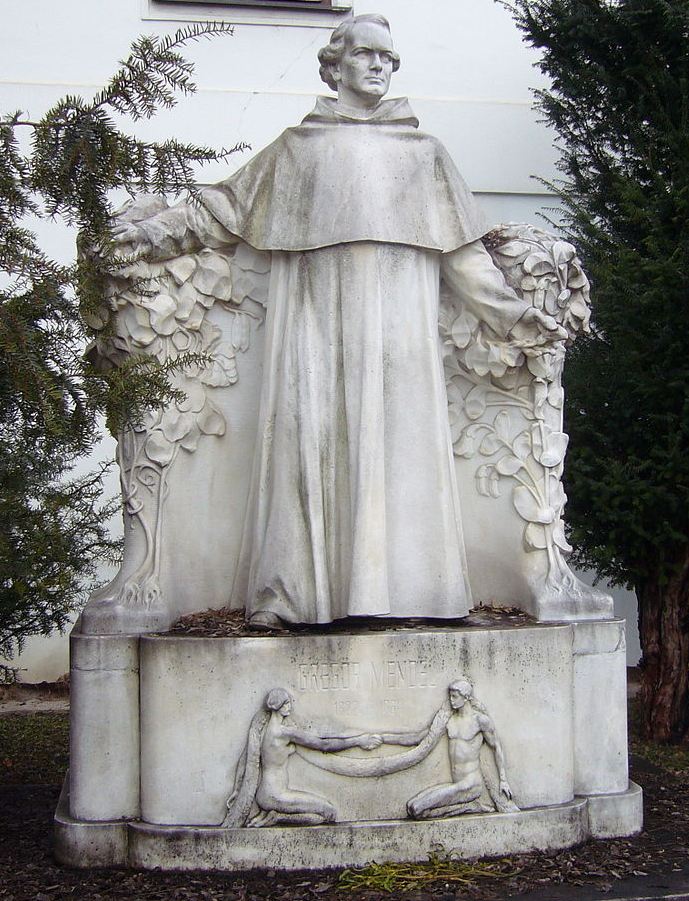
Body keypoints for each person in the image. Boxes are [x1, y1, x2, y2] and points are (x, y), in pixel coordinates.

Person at [113, 15, 565, 630]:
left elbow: (463, 254)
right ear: (336, 65)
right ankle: (294, 594)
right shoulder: (299, 149)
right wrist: (147, 238)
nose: (379, 66)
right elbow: (221, 210)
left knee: (401, 444)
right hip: (315, 321)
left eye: (389, 57)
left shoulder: (424, 154)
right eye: (366, 55)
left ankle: (413, 592)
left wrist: (513, 317)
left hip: (400, 321)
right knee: (310, 441)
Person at [223, 688, 382, 827]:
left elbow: (245, 761)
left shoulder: (262, 730)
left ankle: (272, 815)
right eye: (286, 704)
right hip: (275, 795)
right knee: (329, 813)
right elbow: (323, 745)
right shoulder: (283, 733)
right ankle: (277, 818)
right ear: (278, 707)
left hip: (267, 794)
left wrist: (237, 790)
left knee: (325, 810)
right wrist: (358, 741)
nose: (290, 707)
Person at [380, 678, 516, 818]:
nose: (451, 700)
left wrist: (503, 780)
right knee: (411, 806)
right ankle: (468, 807)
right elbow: (418, 738)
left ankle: (470, 806)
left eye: (454, 696)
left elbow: (496, 747)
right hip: (456, 783)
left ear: (466, 698)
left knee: (417, 808)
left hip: (471, 784)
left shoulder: (480, 721)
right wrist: (384, 738)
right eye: (450, 696)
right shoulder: (450, 721)